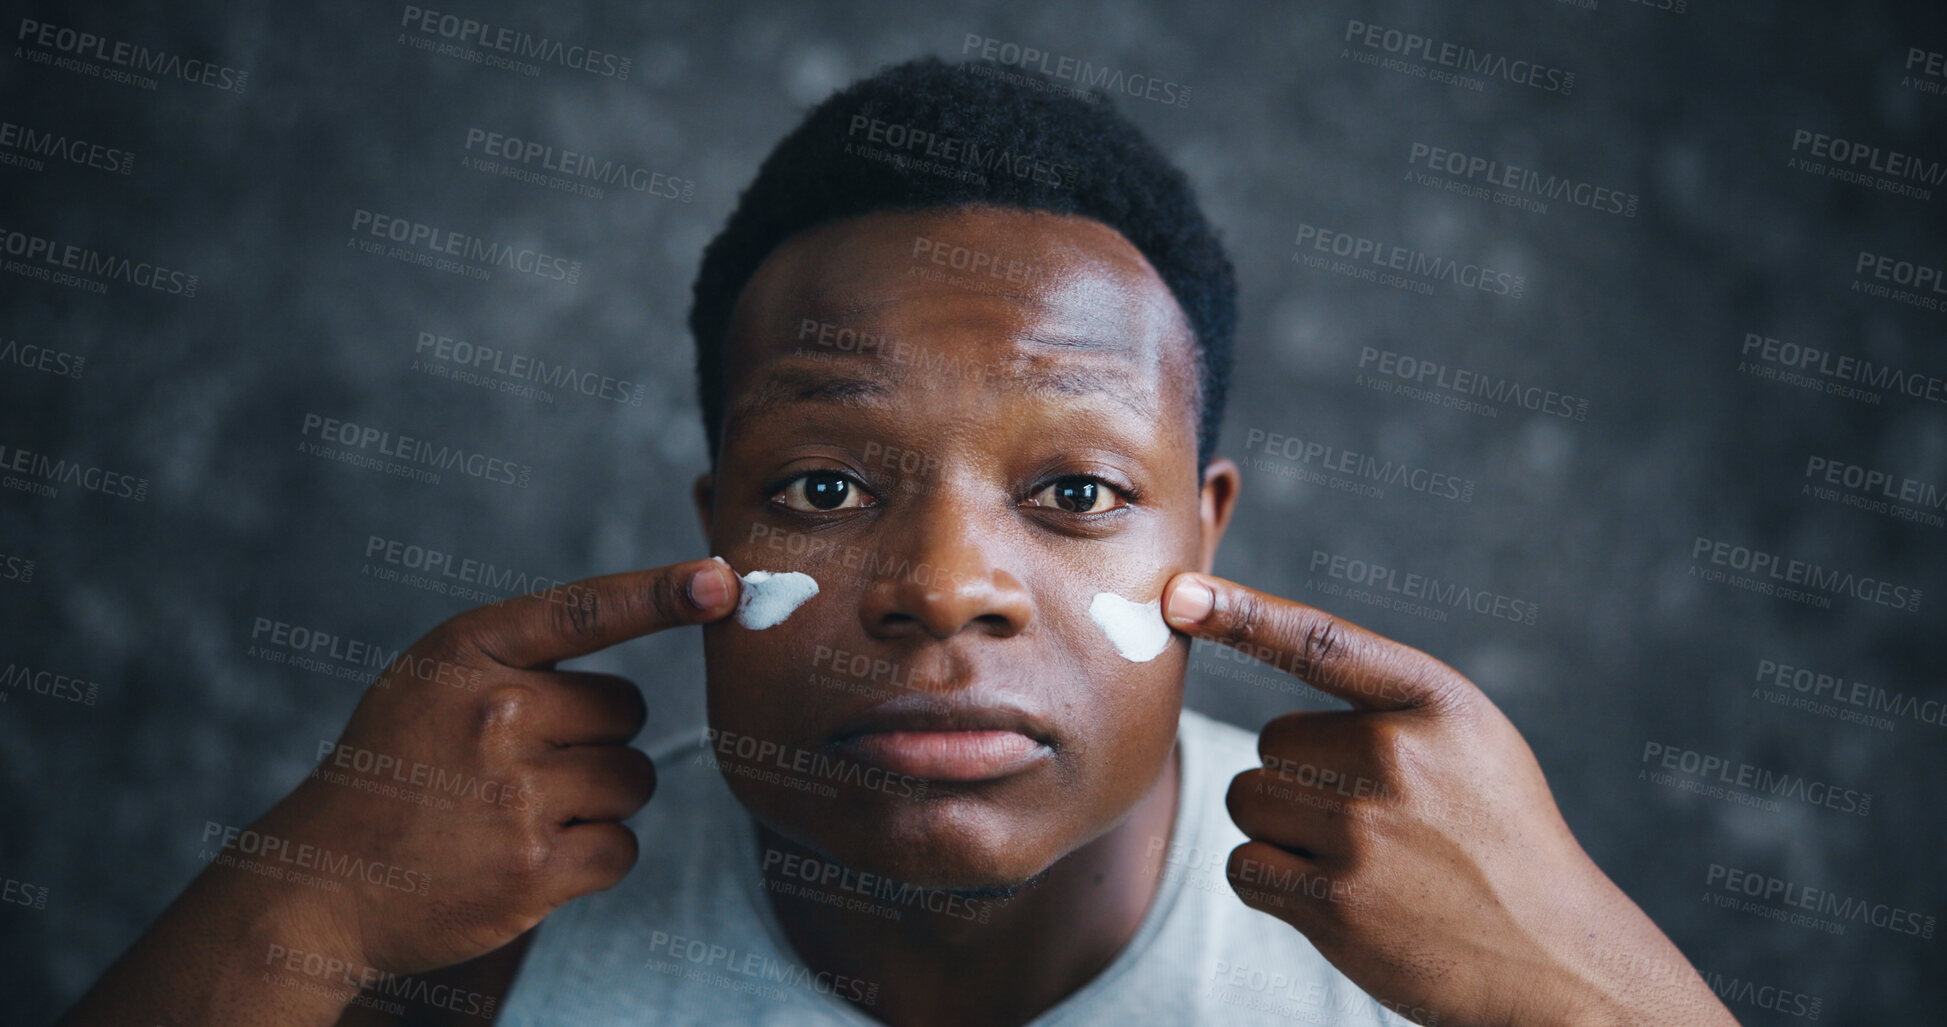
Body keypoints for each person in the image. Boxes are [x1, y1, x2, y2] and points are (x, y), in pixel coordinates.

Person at [60, 57, 1736, 1026]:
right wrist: (292, 923)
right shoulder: (467, 949)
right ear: (712, 520)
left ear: (1205, 532)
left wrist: (1593, 993)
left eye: (1075, 494)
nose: (946, 587)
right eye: (824, 490)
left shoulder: (1440, 969)